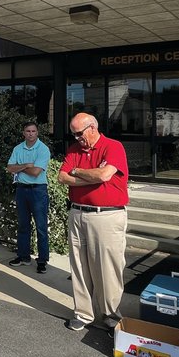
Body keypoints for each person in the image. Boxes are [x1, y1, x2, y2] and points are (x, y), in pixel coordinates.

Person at [58, 112, 129, 332]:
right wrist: (90, 176)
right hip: (78, 213)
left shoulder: (113, 146)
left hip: (106, 216)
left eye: (79, 133)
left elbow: (104, 175)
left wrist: (77, 172)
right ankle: (83, 313)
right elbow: (62, 177)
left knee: (108, 267)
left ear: (92, 128)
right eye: (73, 133)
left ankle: (110, 314)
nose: (77, 138)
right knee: (79, 265)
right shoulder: (74, 149)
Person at [6, 122, 51, 273]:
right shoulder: (18, 148)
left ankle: (42, 260)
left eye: (33, 131)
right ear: (23, 133)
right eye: (28, 131)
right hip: (21, 190)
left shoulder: (43, 149)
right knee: (23, 225)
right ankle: (23, 256)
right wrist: (26, 165)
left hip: (38, 190)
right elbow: (10, 168)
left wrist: (20, 167)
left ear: (37, 133)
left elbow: (36, 172)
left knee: (41, 227)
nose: (31, 133)